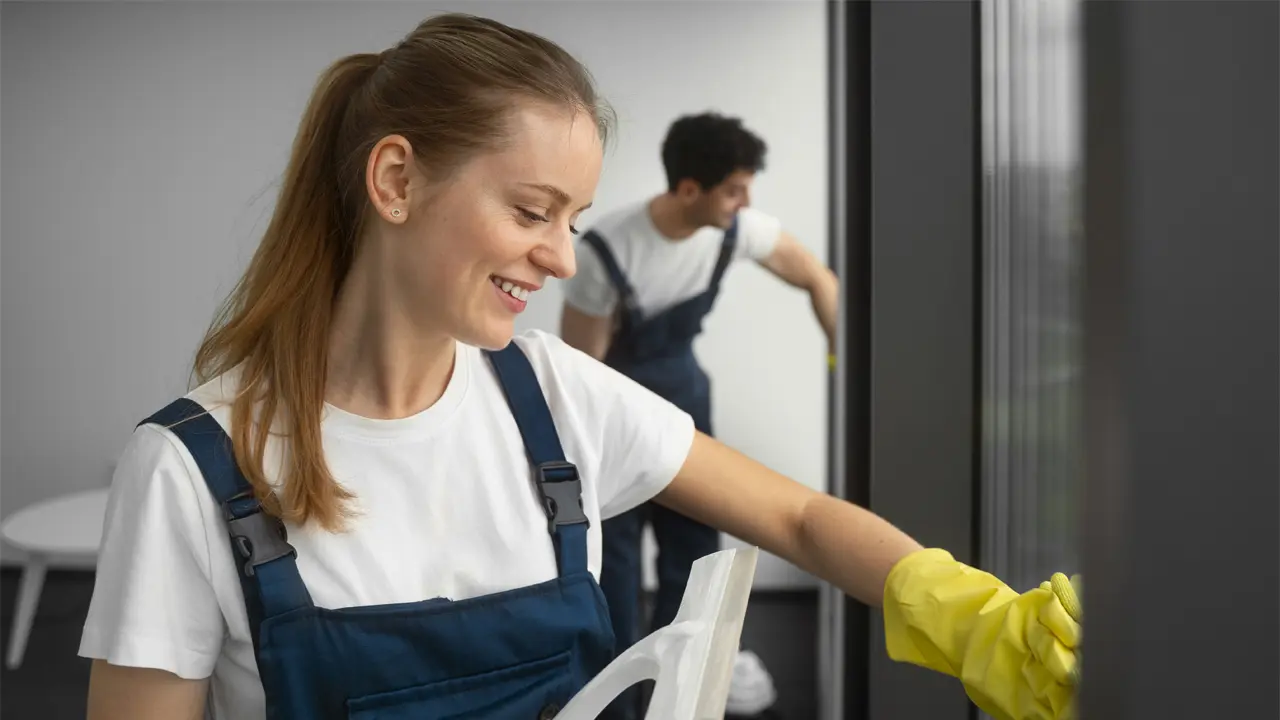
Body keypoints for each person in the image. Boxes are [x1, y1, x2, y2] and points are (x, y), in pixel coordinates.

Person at [78, 12, 1082, 720]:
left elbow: (797, 518)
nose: (560, 258)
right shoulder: (193, 470)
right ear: (394, 180)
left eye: (572, 220)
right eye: (529, 211)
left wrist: (969, 617)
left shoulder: (552, 393)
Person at [558, 112, 837, 718]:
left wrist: (846, 359)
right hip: (619, 414)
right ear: (690, 190)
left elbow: (817, 277)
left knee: (694, 559)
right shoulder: (608, 251)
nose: (746, 202)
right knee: (617, 569)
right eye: (734, 190)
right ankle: (620, 705)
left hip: (687, 403)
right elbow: (580, 369)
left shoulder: (735, 229)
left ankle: (679, 700)